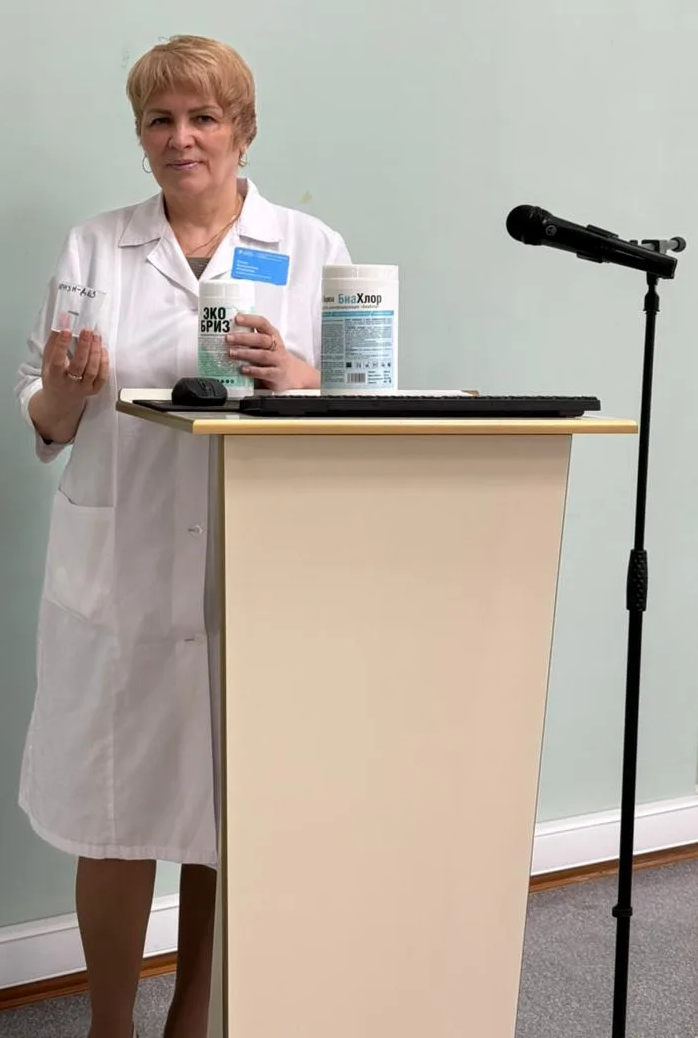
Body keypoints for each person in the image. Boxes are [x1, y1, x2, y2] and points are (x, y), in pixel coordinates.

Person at [15, 34, 350, 1038]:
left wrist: (298, 377)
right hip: (121, 573)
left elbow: (357, 399)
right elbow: (47, 416)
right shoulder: (95, 246)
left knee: (225, 812)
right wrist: (62, 392)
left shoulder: (311, 246)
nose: (182, 137)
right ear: (141, 136)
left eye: (204, 117)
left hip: (252, 566)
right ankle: (110, 1025)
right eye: (160, 120)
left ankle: (191, 1022)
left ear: (242, 130)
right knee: (111, 814)